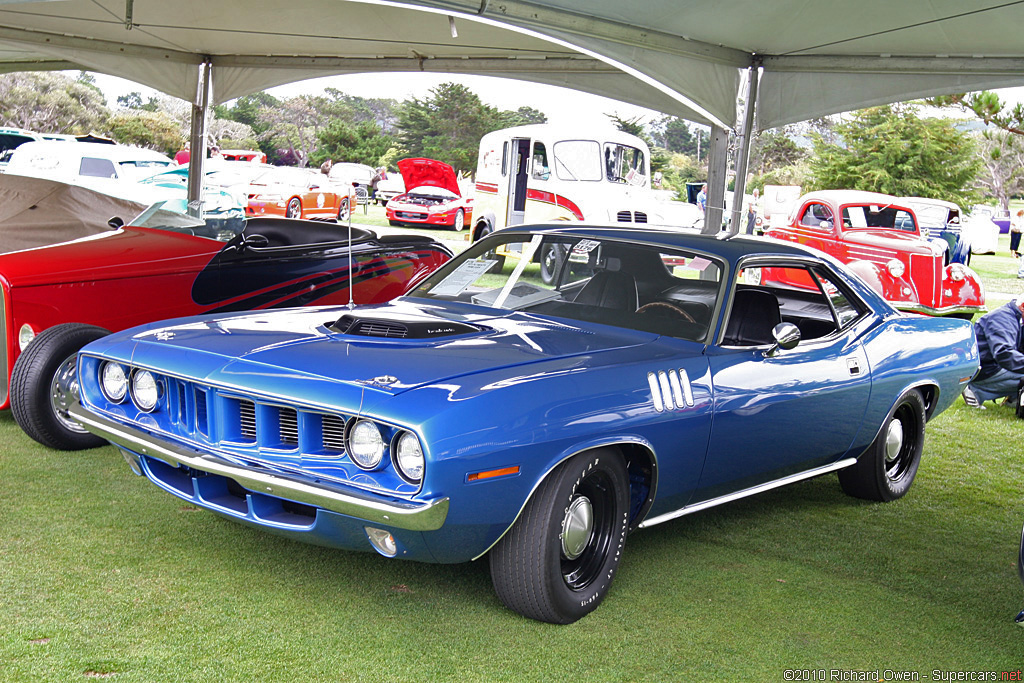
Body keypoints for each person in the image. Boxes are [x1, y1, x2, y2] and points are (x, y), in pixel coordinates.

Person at [962, 296, 1024, 408]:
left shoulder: (1018, 318)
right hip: (983, 371)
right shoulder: (1003, 319)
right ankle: (975, 391)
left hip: (992, 367)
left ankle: (1015, 399)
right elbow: (1004, 354)